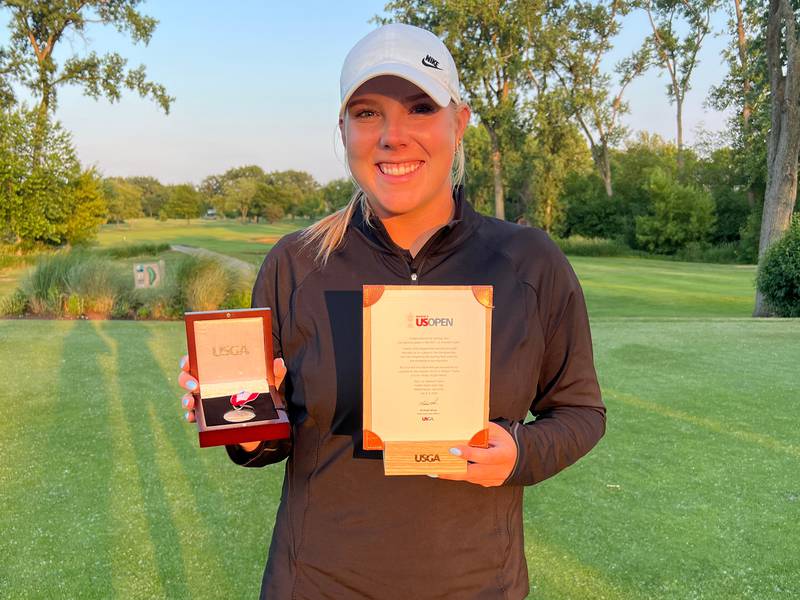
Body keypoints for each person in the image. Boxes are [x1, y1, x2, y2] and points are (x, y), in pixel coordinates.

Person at [179, 23, 605, 599]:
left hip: (478, 583)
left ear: (459, 121)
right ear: (344, 128)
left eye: (420, 108)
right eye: (368, 113)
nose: (392, 136)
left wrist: (521, 452)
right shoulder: (297, 264)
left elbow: (580, 411)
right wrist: (244, 421)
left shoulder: (527, 263)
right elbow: (270, 438)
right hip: (317, 583)